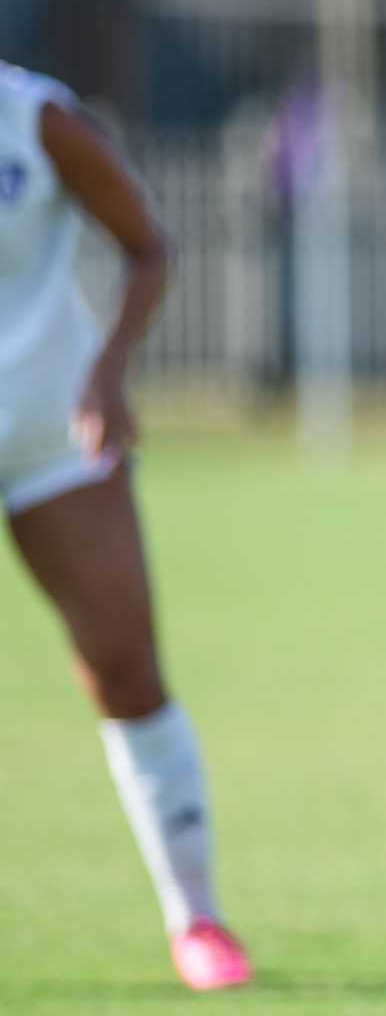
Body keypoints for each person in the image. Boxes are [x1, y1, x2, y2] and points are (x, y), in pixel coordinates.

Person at [0, 62, 253, 991]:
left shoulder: (36, 120)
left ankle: (199, 920)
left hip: (52, 435)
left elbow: (148, 246)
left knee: (125, 666)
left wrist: (109, 372)